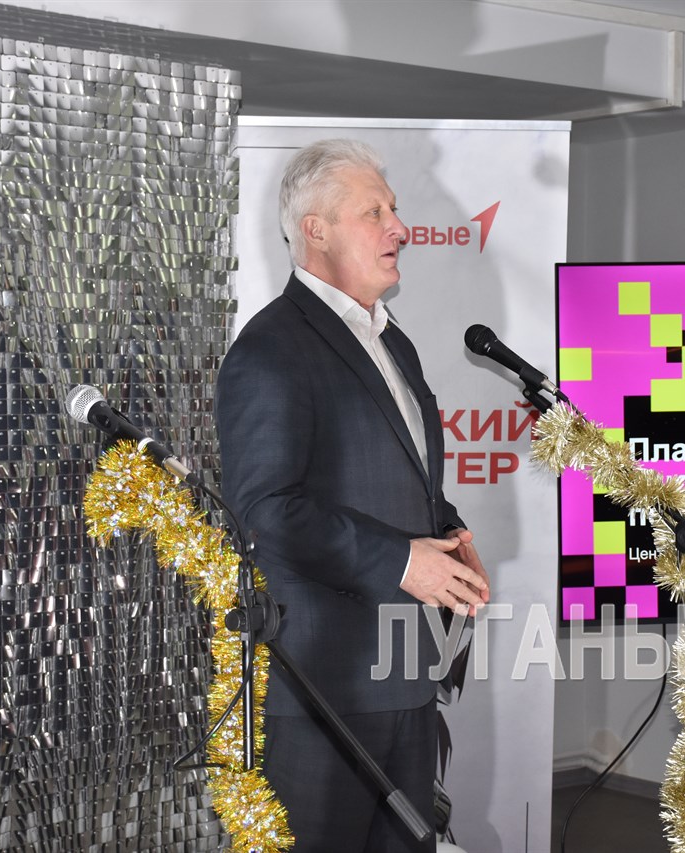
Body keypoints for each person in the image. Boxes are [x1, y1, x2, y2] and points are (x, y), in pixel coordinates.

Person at [215, 139, 489, 853]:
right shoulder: (272, 348)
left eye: (394, 210)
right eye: (375, 213)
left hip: (406, 675)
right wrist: (403, 561)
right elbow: (264, 510)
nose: (399, 228)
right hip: (324, 694)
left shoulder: (395, 343)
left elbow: (403, 484)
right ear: (317, 229)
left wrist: (449, 538)